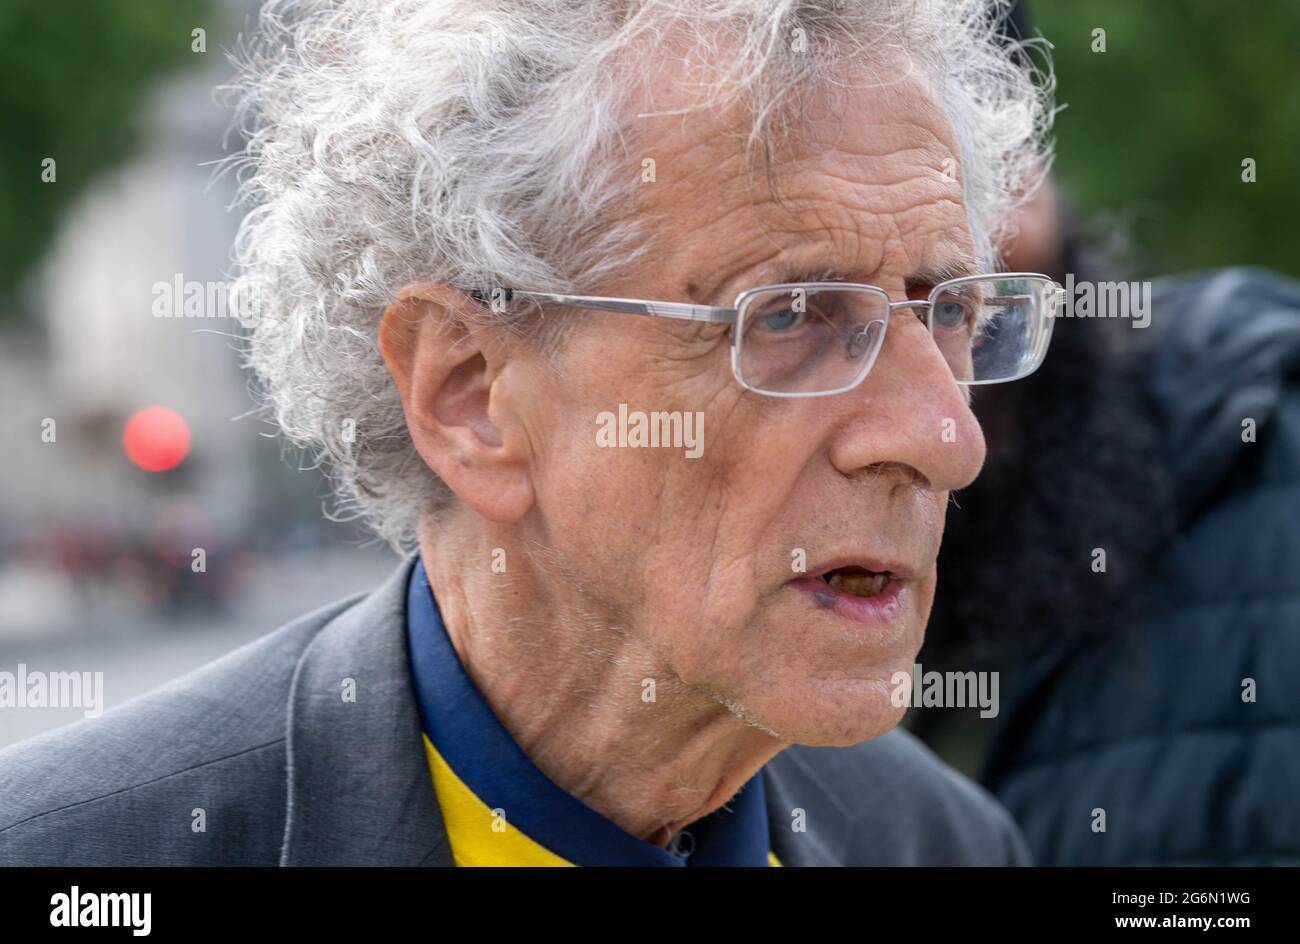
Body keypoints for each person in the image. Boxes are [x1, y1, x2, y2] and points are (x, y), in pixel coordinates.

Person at [0, 0, 1053, 866]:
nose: (945, 437)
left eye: (949, 310)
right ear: (469, 394)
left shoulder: (943, 842)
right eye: (788, 316)